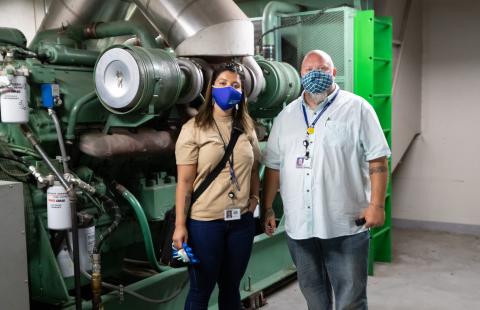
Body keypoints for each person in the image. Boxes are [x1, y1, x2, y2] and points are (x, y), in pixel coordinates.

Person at [262, 50, 390, 309]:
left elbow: (378, 159)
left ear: (333, 72)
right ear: (300, 75)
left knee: (350, 298)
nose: (314, 74)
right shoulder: (286, 116)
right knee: (313, 294)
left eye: (321, 68)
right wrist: (267, 209)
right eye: (308, 70)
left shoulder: (357, 108)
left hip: (344, 224)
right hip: (300, 225)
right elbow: (274, 167)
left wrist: (376, 205)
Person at [173, 62, 261, 310]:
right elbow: (185, 182)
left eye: (235, 85)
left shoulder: (247, 127)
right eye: (222, 83)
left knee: (231, 289)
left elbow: (254, 168)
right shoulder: (194, 129)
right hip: (205, 223)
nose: (229, 89)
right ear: (212, 88)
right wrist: (180, 225)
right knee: (201, 291)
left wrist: (254, 198)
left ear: (242, 93)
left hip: (241, 223)